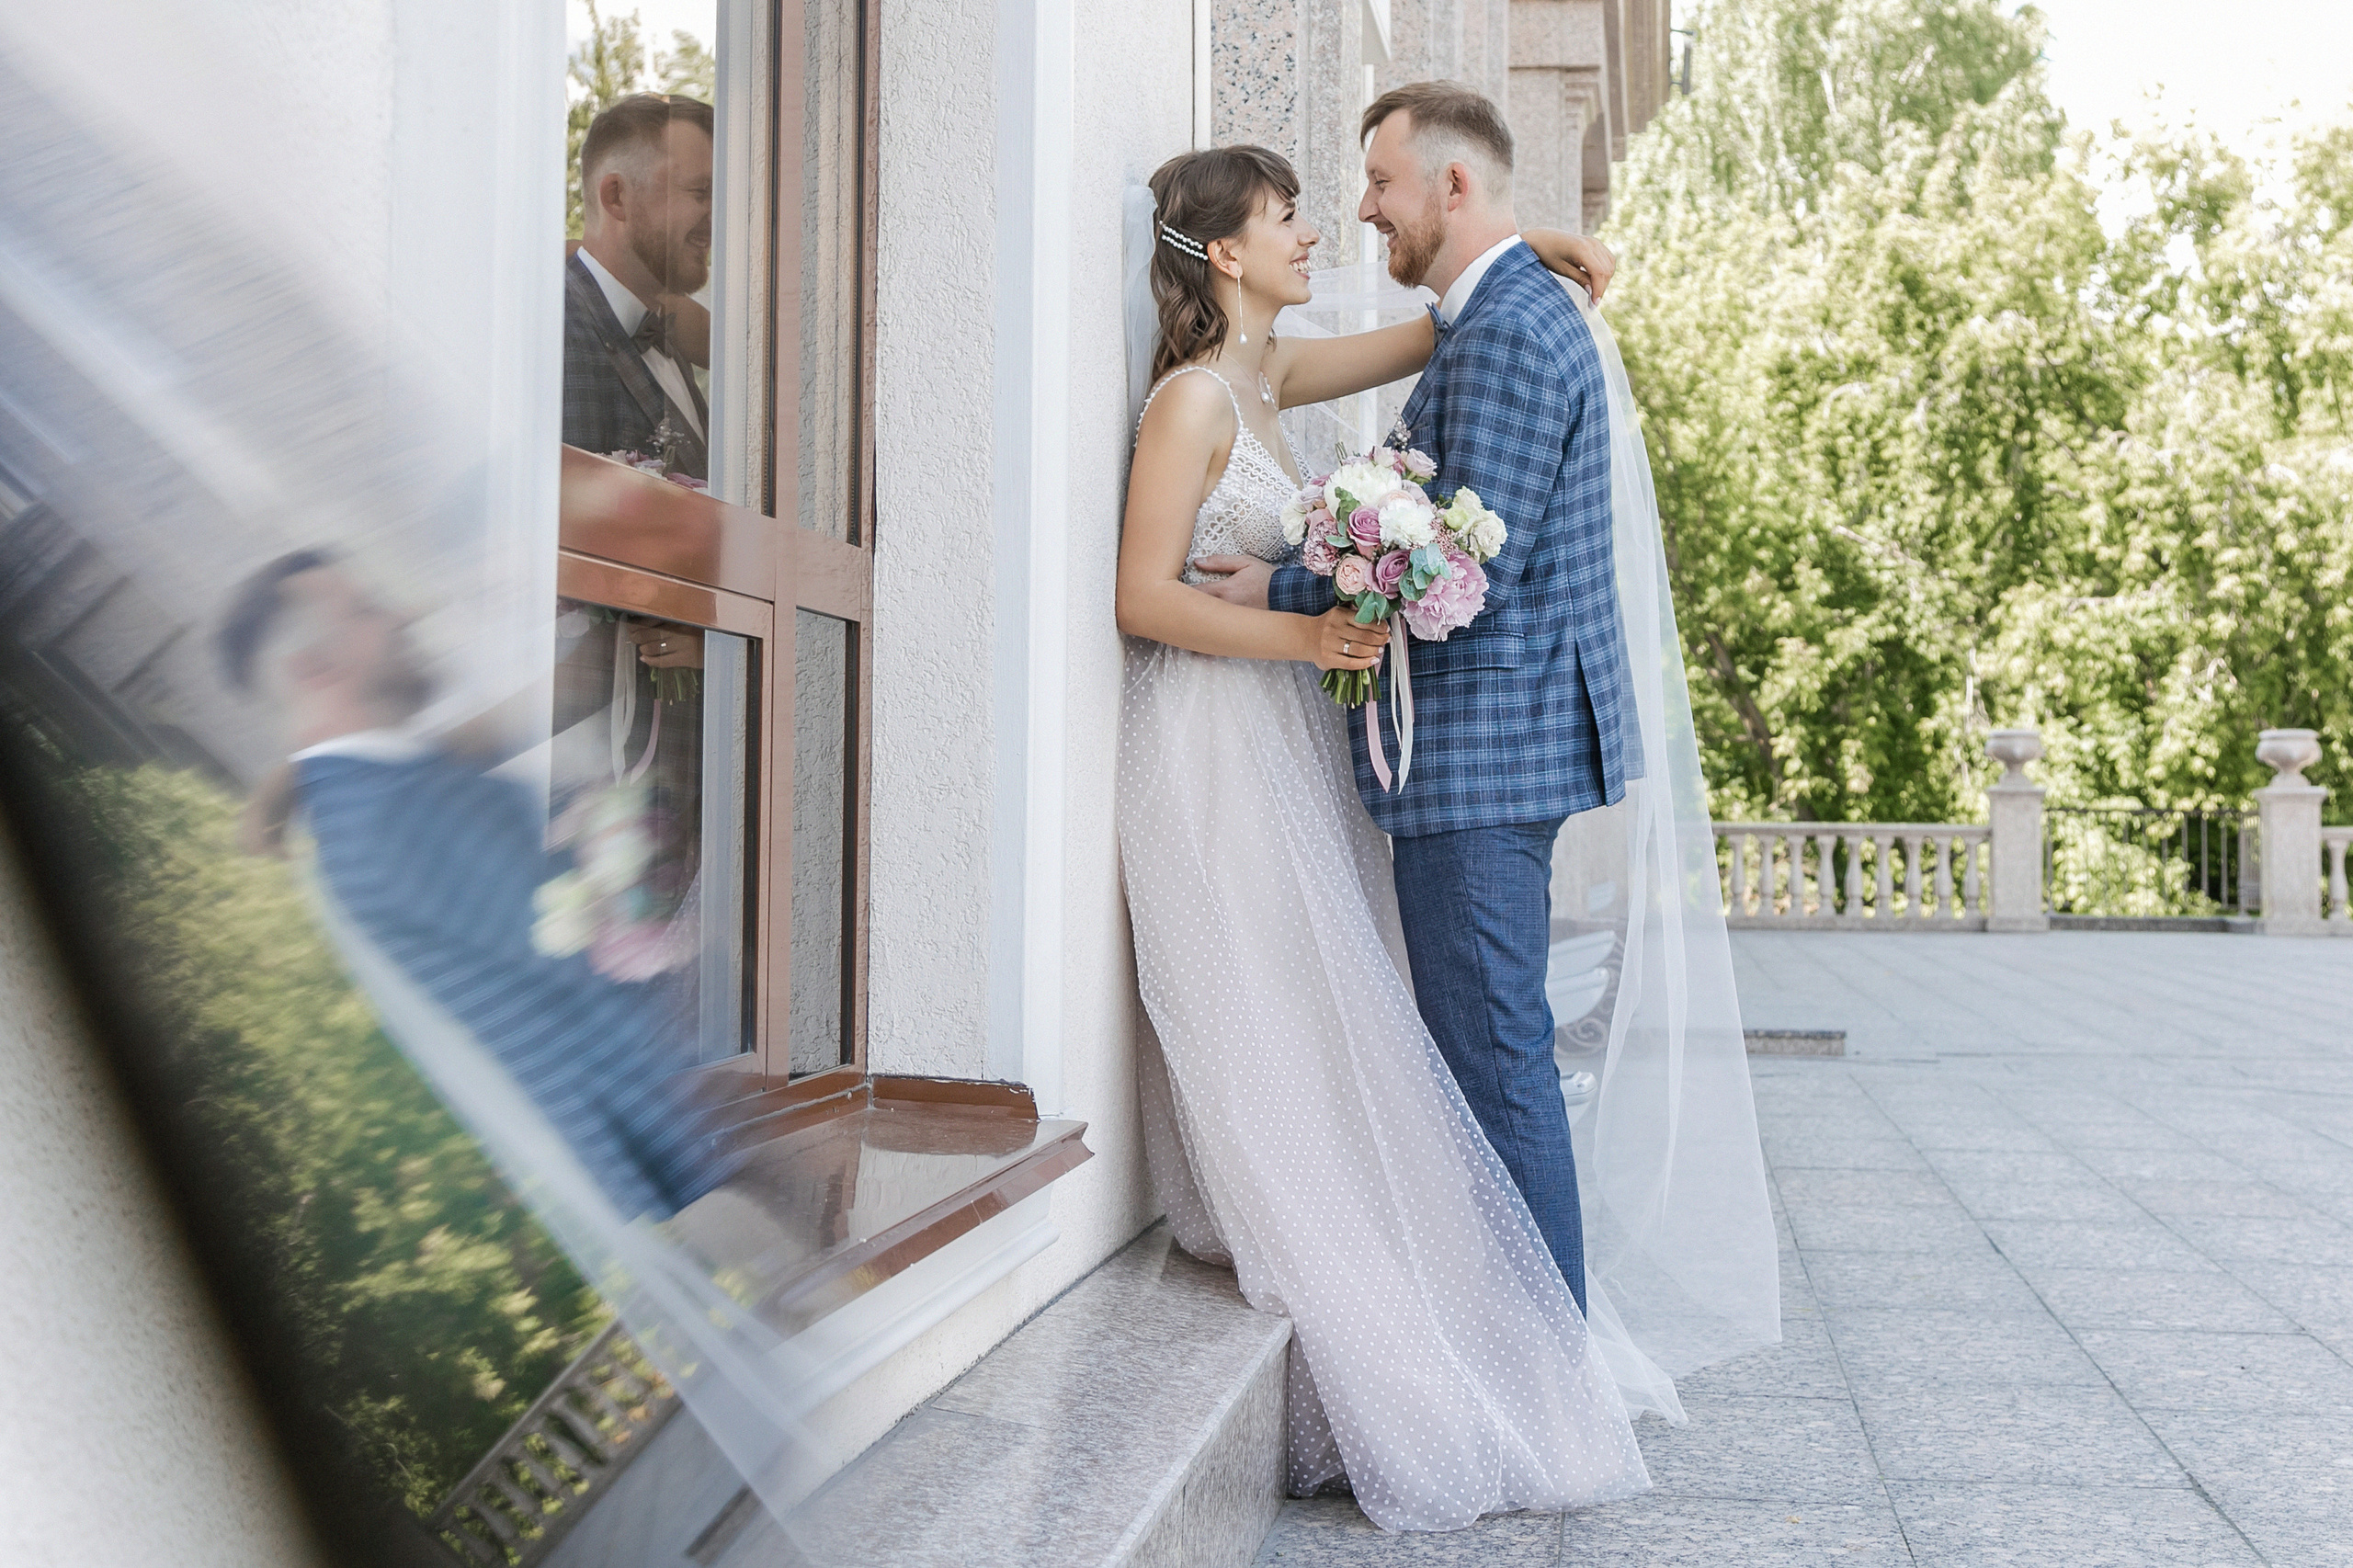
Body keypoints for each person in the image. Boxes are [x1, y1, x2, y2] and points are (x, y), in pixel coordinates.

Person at [1115, 141, 1651, 1532]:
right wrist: (1305, 633)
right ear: (1225, 252)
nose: (1317, 233)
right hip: (1214, 746)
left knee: (1340, 1010)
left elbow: (1432, 323)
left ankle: (1481, 1327)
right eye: (1289, 217)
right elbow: (1142, 598)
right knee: (1274, 1011)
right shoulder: (1190, 401)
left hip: (1292, 742)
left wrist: (1530, 248)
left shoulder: (1267, 379)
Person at [216, 551, 724, 1221]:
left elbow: (547, 703)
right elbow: (603, 965)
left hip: (696, 1123)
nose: (404, 615)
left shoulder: (376, 789)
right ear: (314, 670)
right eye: (365, 611)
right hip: (705, 1117)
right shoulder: (391, 814)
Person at [565, 93, 714, 480]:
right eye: (700, 192)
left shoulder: (662, 327)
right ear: (616, 196)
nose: (719, 216)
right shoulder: (555, 333)